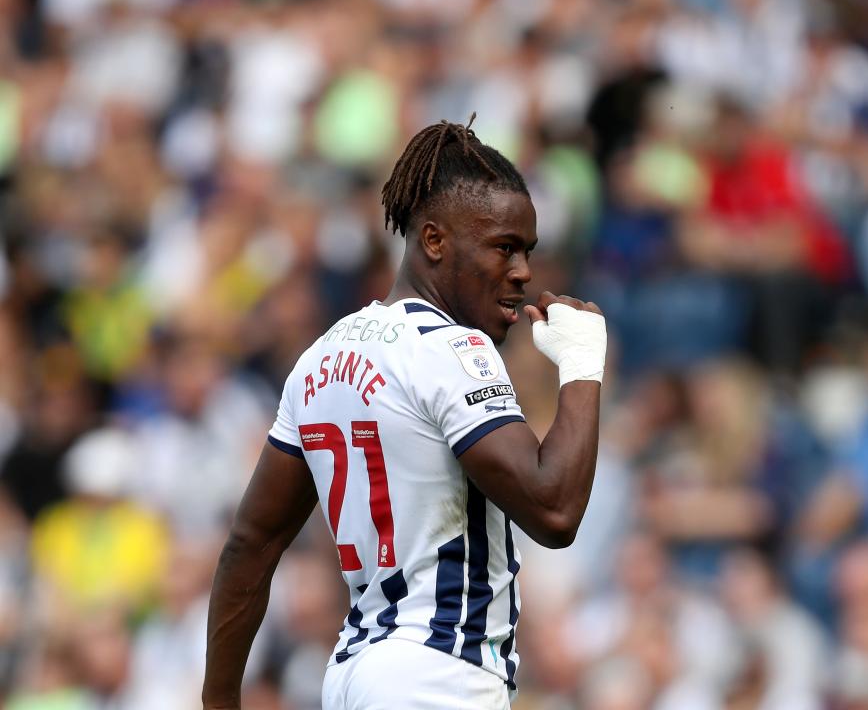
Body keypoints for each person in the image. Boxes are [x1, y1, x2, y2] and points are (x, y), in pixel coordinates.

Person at [201, 116, 607, 709]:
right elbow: (554, 510)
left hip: (354, 674)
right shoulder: (452, 348)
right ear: (435, 241)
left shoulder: (323, 355)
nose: (522, 271)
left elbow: (251, 544)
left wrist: (217, 701)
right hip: (437, 674)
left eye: (527, 250)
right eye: (504, 247)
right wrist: (582, 366)